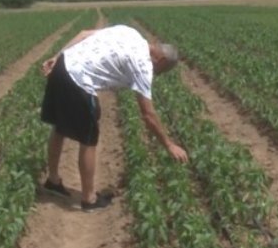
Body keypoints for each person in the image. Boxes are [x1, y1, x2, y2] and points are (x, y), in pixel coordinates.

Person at [40, 24, 188, 211]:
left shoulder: (129, 32)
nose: (157, 73)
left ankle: (53, 180)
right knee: (89, 139)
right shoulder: (142, 63)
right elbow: (148, 114)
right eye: (161, 70)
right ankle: (89, 199)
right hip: (78, 80)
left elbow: (83, 33)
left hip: (62, 65)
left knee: (59, 127)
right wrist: (169, 144)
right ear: (160, 58)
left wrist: (57, 56)